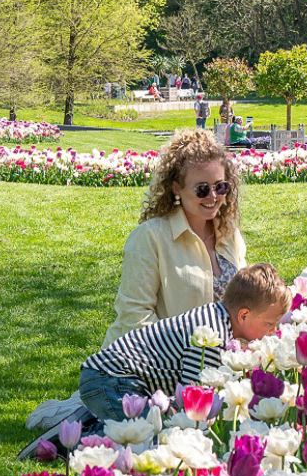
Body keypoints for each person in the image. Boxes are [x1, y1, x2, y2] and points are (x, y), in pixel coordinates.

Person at [79, 264, 289, 422]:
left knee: (143, 427)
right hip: (112, 379)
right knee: (144, 436)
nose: (274, 330)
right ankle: (78, 439)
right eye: (270, 323)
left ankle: (88, 422)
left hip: (115, 377)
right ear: (243, 315)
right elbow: (192, 399)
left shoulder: (216, 317)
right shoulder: (211, 337)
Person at [106, 129, 248, 347]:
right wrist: (184, 361)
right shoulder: (149, 238)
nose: (213, 196)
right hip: (148, 366)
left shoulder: (230, 234)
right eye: (202, 189)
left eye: (221, 186)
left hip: (213, 365)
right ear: (176, 189)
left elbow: (244, 301)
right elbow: (134, 317)